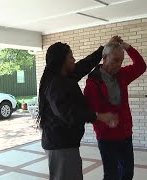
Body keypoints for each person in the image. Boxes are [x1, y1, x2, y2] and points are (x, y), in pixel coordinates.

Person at [37, 37, 121, 180]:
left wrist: (104, 48)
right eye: (71, 57)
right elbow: (68, 113)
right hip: (60, 145)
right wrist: (99, 116)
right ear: (62, 61)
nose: (74, 59)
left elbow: (84, 65)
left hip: (64, 143)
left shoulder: (64, 76)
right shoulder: (56, 83)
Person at [84, 40, 147, 180]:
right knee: (111, 175)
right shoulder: (93, 83)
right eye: (115, 60)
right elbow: (91, 113)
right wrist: (103, 124)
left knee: (127, 174)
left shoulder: (122, 75)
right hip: (107, 138)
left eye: (121, 61)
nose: (118, 65)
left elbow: (141, 66)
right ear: (105, 57)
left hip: (125, 134)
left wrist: (127, 47)